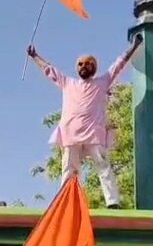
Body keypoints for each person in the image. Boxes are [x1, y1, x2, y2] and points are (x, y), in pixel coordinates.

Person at [26, 34, 143, 208]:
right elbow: (49, 70)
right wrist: (34, 56)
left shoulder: (102, 82)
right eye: (80, 64)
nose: (83, 66)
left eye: (88, 63)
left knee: (103, 167)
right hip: (71, 134)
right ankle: (66, 203)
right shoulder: (68, 83)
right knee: (69, 170)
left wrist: (134, 46)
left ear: (94, 68)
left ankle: (112, 202)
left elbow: (119, 64)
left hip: (93, 134)